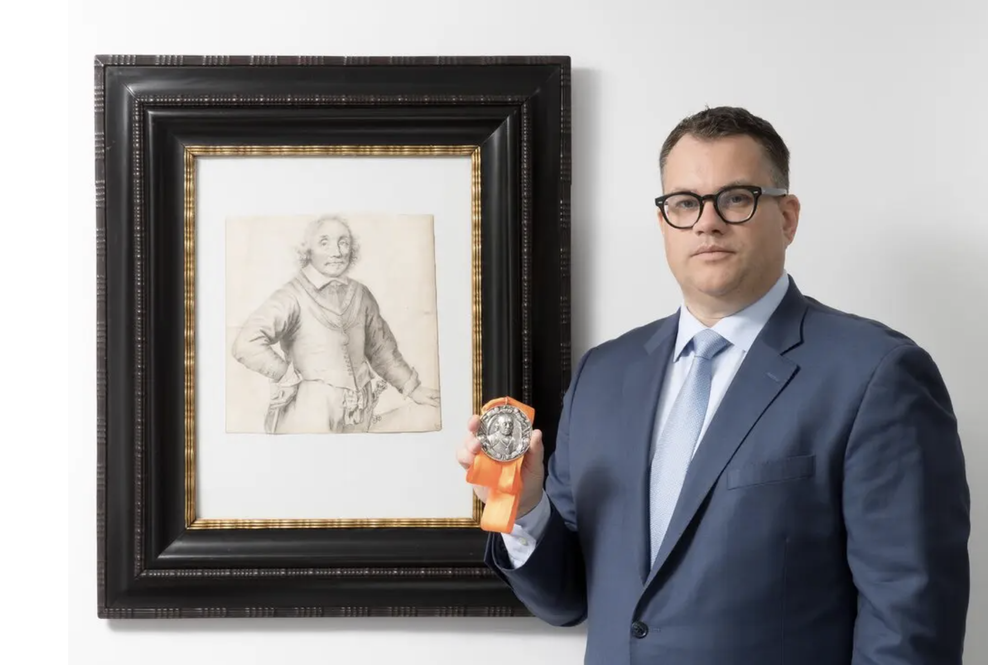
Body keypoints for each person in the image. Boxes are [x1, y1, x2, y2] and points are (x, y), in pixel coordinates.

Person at [457, 106, 970, 664]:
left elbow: (910, 623)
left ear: (788, 217)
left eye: (736, 198)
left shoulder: (877, 374)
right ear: (664, 223)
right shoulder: (603, 375)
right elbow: (562, 601)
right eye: (684, 203)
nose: (707, 222)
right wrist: (524, 506)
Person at [232, 214, 440, 433]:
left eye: (343, 242)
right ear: (307, 250)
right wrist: (285, 375)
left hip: (359, 413)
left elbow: (381, 349)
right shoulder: (291, 295)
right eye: (325, 243)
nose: (337, 252)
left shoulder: (361, 293)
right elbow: (246, 343)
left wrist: (411, 386)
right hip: (308, 413)